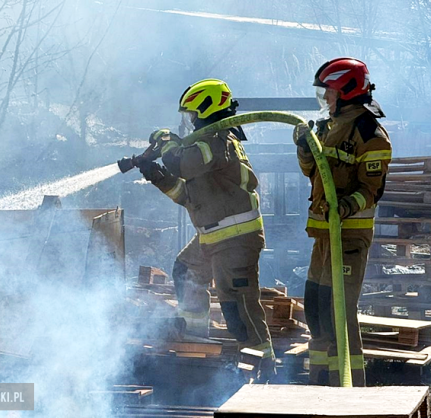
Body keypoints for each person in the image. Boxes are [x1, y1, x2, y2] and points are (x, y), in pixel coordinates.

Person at [138, 79, 274, 378]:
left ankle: (263, 370)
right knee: (186, 272)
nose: (189, 122)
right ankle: (196, 340)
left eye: (191, 114)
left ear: (206, 109)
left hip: (235, 240)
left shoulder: (217, 141)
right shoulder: (204, 147)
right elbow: (188, 196)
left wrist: (165, 142)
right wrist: (157, 176)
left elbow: (181, 163)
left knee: (239, 308)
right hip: (214, 236)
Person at [293, 58, 392, 386]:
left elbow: (371, 191)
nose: (325, 100)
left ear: (347, 91)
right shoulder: (327, 126)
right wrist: (305, 149)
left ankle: (351, 389)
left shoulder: (370, 133)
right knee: (316, 309)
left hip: (349, 236)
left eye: (330, 93)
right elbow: (312, 172)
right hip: (323, 236)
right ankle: (320, 380)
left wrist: (345, 206)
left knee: (340, 314)